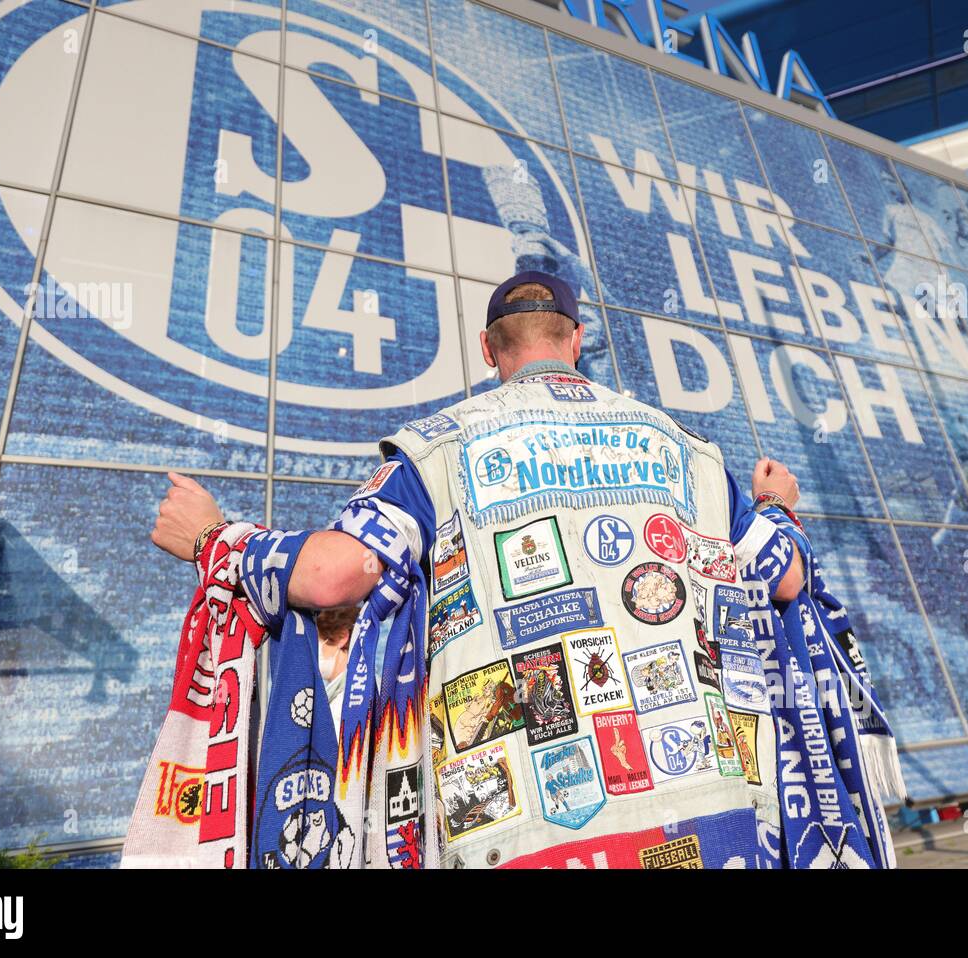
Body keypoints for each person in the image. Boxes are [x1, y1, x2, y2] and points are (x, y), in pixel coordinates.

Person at [149, 271, 899, 869]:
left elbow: (331, 576)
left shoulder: (436, 450)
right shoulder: (688, 454)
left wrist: (215, 535)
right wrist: (779, 505)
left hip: (519, 828)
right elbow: (788, 575)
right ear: (576, 339)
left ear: (487, 348)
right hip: (712, 815)